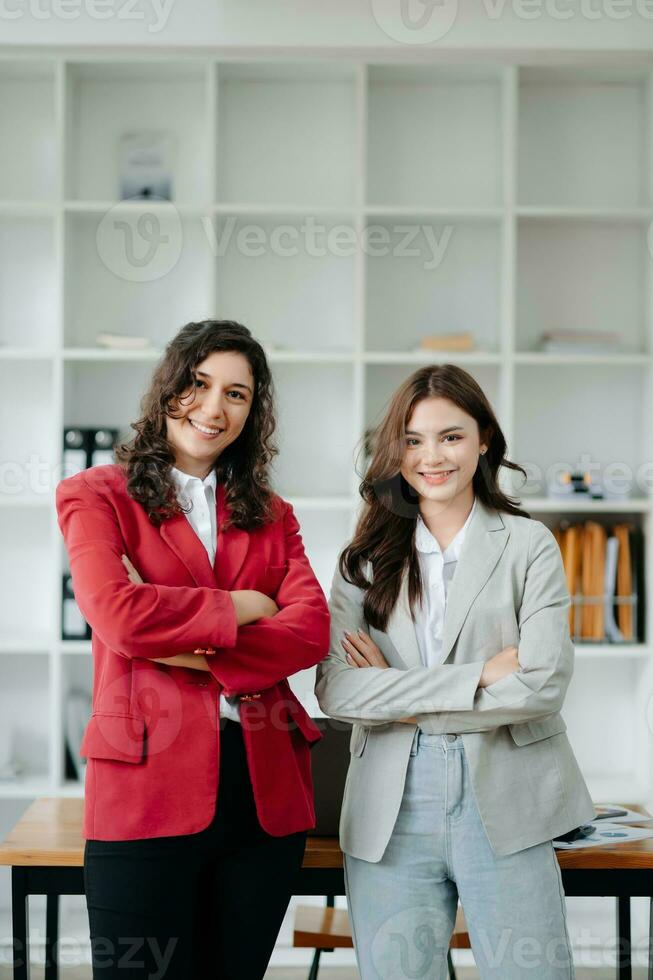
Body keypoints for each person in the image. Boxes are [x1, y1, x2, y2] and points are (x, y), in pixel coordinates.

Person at [56, 319, 330, 980]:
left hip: (262, 793)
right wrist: (240, 607)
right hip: (145, 784)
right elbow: (118, 617)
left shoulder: (272, 512)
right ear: (167, 389)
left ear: (252, 410)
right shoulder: (96, 495)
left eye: (236, 394)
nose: (214, 407)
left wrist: (185, 644)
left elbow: (310, 629)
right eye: (199, 384)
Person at [315, 363, 593, 979]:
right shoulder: (363, 561)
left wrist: (395, 694)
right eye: (412, 440)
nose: (430, 456)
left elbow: (542, 685)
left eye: (451, 436)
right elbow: (337, 689)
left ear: (484, 439)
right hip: (391, 805)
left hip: (508, 793)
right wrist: (477, 676)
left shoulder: (528, 545)